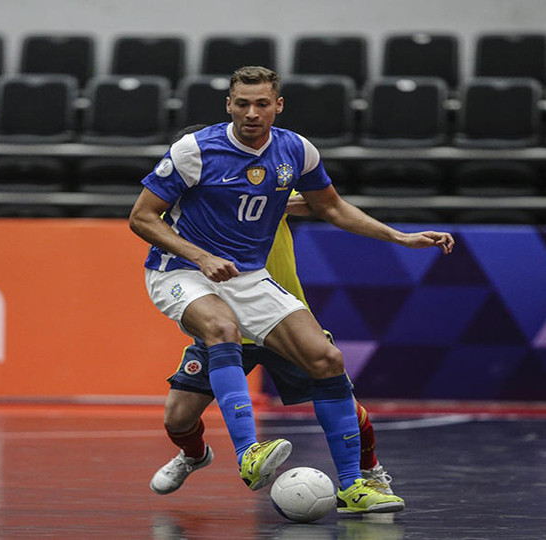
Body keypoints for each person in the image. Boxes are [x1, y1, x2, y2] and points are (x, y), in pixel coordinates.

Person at [129, 66, 454, 512]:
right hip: (181, 271)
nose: (251, 113)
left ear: (277, 105)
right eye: (242, 103)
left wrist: (400, 237)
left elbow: (331, 207)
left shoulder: (296, 151)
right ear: (229, 105)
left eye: (262, 103)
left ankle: (354, 486)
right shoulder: (195, 150)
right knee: (220, 332)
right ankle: (246, 454)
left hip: (248, 278)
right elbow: (141, 217)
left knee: (327, 358)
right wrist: (201, 256)